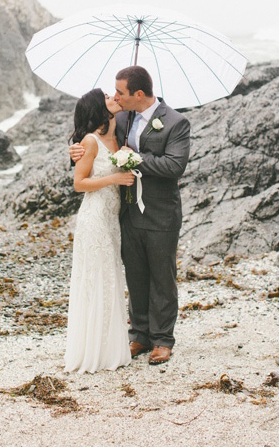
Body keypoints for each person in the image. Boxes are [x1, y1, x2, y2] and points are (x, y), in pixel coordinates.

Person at [70, 66, 191, 365]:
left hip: (161, 211)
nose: (116, 97)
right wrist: (73, 150)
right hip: (124, 211)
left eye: (121, 93)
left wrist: (134, 158)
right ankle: (139, 334)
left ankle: (163, 339)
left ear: (138, 94)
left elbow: (174, 166)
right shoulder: (120, 117)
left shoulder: (176, 122)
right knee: (135, 275)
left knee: (162, 276)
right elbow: (94, 145)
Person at [64, 88, 135, 373]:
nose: (114, 98)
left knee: (110, 279)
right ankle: (92, 351)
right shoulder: (90, 141)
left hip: (112, 218)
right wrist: (115, 177)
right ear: (98, 108)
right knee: (96, 280)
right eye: (107, 97)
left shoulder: (119, 135)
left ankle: (109, 347)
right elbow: (79, 183)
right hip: (94, 218)